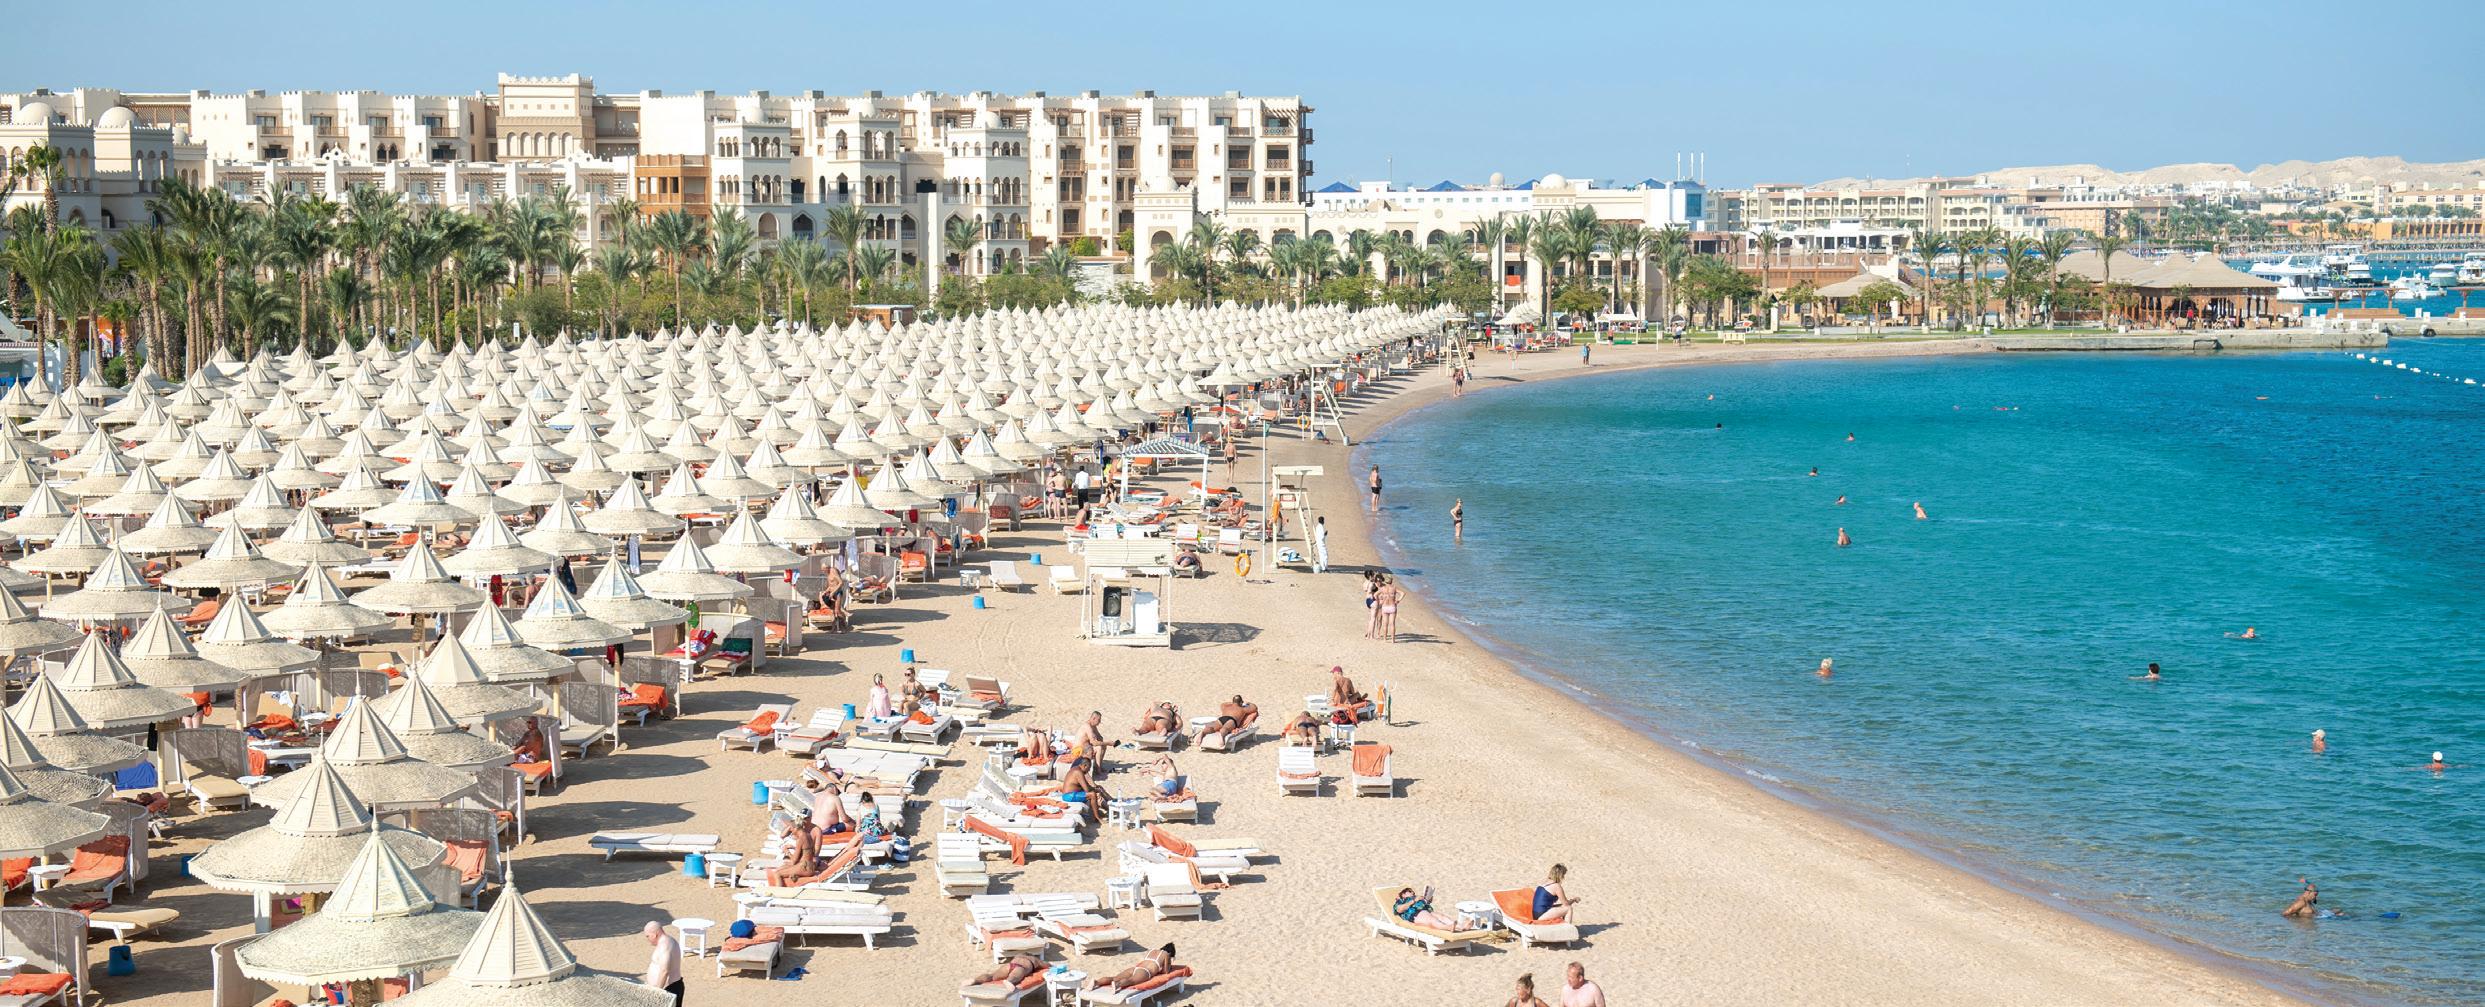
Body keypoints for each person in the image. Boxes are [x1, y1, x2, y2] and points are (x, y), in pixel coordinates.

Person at [1090, 944, 1177, 992]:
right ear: (1170, 953)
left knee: (1114, 978)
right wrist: (1170, 963)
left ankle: (1096, 982)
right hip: (1145, 971)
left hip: (1136, 968)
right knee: (1131, 981)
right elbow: (1165, 972)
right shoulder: (1166, 955)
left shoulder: (1152, 950)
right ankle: (1117, 984)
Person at [765, 819, 821, 887]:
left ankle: (779, 891)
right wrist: (794, 848)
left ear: (796, 828)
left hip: (804, 868)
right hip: (810, 867)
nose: (791, 831)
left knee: (777, 874)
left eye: (791, 829)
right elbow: (808, 852)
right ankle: (791, 879)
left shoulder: (800, 839)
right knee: (783, 867)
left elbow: (793, 861)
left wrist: (787, 852)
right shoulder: (808, 835)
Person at [643, 921, 684, 1006]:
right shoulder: (669, 940)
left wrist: (657, 992)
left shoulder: (664, 946)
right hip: (672, 987)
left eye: (647, 936)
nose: (647, 939)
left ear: (654, 935)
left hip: (668, 990)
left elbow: (664, 971)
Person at [1391, 886, 1470, 931]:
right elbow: (1399, 909)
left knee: (1441, 916)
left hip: (1426, 911)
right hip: (1414, 915)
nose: (1413, 893)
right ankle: (1448, 927)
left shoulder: (1417, 898)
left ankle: (1462, 926)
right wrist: (1414, 900)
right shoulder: (1400, 901)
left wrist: (1428, 900)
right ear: (1403, 895)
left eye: (1413, 892)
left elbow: (1424, 904)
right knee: (1432, 919)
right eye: (1409, 891)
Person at [966, 953, 1047, 989]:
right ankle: (1009, 981)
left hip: (1009, 965)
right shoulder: (1034, 959)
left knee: (992, 976)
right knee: (1014, 976)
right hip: (1020, 968)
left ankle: (976, 980)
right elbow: (1046, 965)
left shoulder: (1018, 955)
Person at [1374, 576, 1404, 642]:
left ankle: (1385, 639)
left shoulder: (1383, 588)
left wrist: (1379, 601)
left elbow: (1375, 595)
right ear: (1391, 581)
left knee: (1385, 624)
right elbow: (1403, 593)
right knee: (1392, 624)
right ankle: (1393, 640)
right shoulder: (1394, 588)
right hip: (1392, 606)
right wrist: (1398, 600)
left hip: (1385, 606)